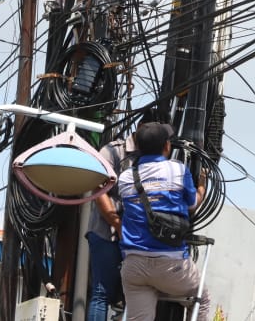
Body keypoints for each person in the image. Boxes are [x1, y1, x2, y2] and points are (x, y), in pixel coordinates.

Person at [113, 122, 209, 321]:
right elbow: (192, 204)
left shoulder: (125, 178)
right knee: (202, 298)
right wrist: (202, 188)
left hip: (134, 267)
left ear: (137, 147)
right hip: (172, 267)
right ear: (167, 146)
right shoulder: (177, 170)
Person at [85, 133, 137, 321]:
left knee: (135, 295)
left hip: (135, 236)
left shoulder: (153, 157)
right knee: (102, 292)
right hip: (106, 231)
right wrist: (117, 224)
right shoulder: (113, 151)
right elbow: (99, 191)